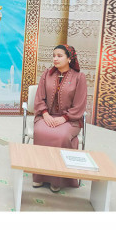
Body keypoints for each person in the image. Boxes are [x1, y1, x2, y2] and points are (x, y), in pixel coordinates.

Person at [32, 44, 87, 192]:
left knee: (61, 136)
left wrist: (64, 118)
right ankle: (39, 176)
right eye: (54, 55)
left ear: (69, 59)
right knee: (40, 131)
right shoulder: (47, 74)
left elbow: (80, 104)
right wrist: (45, 114)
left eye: (59, 56)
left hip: (70, 119)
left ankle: (56, 179)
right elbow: (39, 98)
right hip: (46, 116)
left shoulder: (79, 77)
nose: (55, 59)